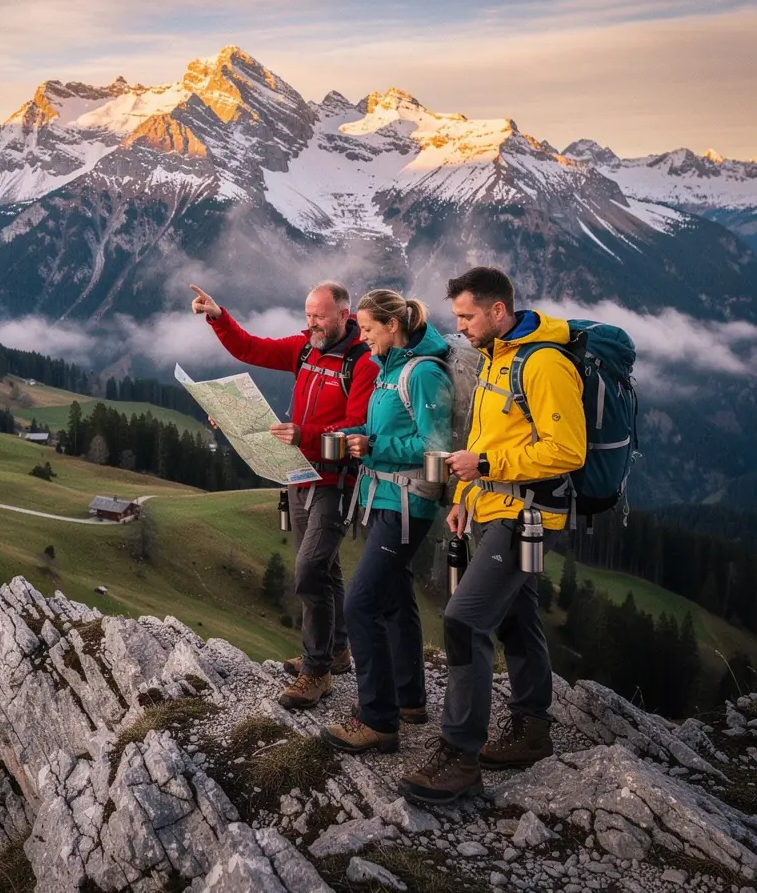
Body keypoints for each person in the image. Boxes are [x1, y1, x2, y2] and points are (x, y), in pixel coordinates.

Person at [399, 266, 586, 804]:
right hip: (493, 507)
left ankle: (460, 756)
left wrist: (482, 464)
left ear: (498, 310)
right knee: (515, 616)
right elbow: (483, 437)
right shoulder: (495, 358)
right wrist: (462, 500)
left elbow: (566, 450)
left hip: (526, 515)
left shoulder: (544, 364)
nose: (459, 327)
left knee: (464, 619)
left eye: (466, 316)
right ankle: (532, 729)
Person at [190, 280, 377, 710]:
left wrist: (303, 435)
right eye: (307, 315)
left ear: (344, 316)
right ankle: (338, 650)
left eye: (318, 317)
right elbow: (251, 349)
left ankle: (316, 672)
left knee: (309, 570)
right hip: (298, 476)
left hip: (335, 481)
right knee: (325, 569)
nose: (309, 323)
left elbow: (357, 429)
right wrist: (219, 318)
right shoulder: (305, 348)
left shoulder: (362, 363)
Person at [318, 289, 453, 754]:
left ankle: (377, 719)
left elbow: (435, 446)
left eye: (370, 329)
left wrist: (374, 446)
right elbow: (387, 430)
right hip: (382, 497)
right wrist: (356, 437)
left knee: (360, 605)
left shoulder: (424, 374)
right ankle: (410, 698)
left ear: (393, 328)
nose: (364, 336)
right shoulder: (387, 369)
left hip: (409, 503)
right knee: (395, 599)